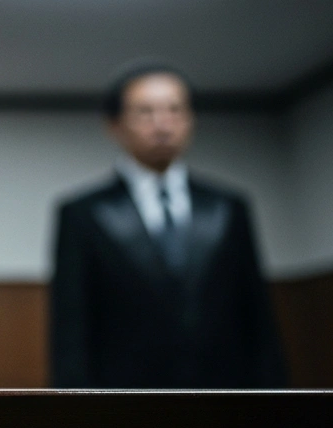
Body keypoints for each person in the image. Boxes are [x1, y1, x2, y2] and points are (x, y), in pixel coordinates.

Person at [49, 64, 286, 390]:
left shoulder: (228, 207)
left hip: (228, 397)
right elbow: (71, 327)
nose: (162, 124)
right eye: (145, 112)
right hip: (127, 400)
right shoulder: (83, 214)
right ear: (115, 125)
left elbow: (258, 317)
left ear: (191, 119)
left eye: (175, 110)